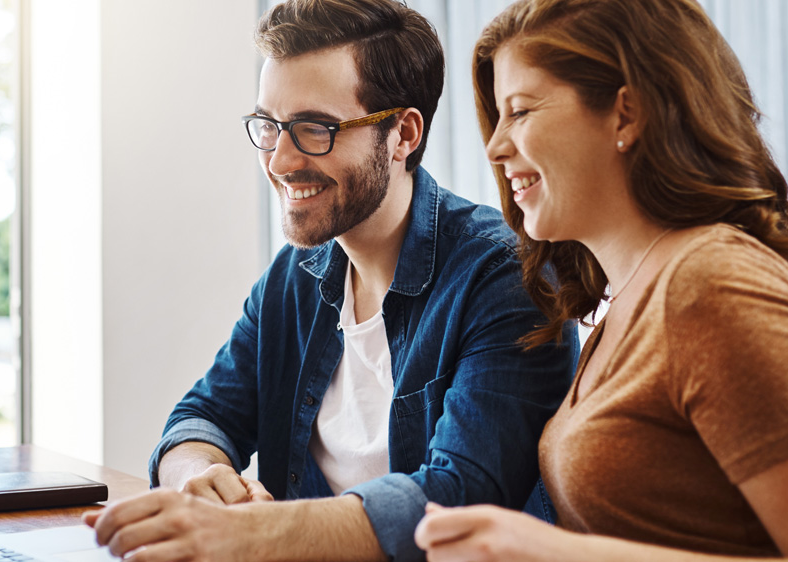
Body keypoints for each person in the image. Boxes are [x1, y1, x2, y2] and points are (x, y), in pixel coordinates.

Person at [414, 0, 788, 561]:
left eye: (522, 110)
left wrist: (551, 553)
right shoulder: (628, 299)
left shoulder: (713, 285)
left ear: (626, 114)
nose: (495, 146)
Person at [83, 1, 578, 560]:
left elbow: (459, 496)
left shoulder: (502, 276)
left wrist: (247, 534)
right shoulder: (295, 276)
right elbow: (202, 417)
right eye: (270, 127)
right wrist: (196, 476)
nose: (280, 161)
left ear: (402, 135)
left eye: (314, 129)